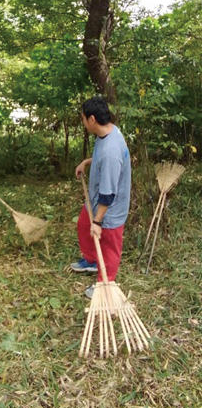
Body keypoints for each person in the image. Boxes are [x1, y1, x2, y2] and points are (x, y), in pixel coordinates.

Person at [71, 97, 131, 299]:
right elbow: (100, 157)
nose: (82, 121)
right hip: (98, 199)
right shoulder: (105, 132)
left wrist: (97, 221)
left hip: (110, 208)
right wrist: (87, 162)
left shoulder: (111, 151)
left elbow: (109, 194)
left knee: (109, 247)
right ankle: (92, 261)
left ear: (92, 119)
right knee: (82, 224)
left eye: (83, 118)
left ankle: (106, 284)